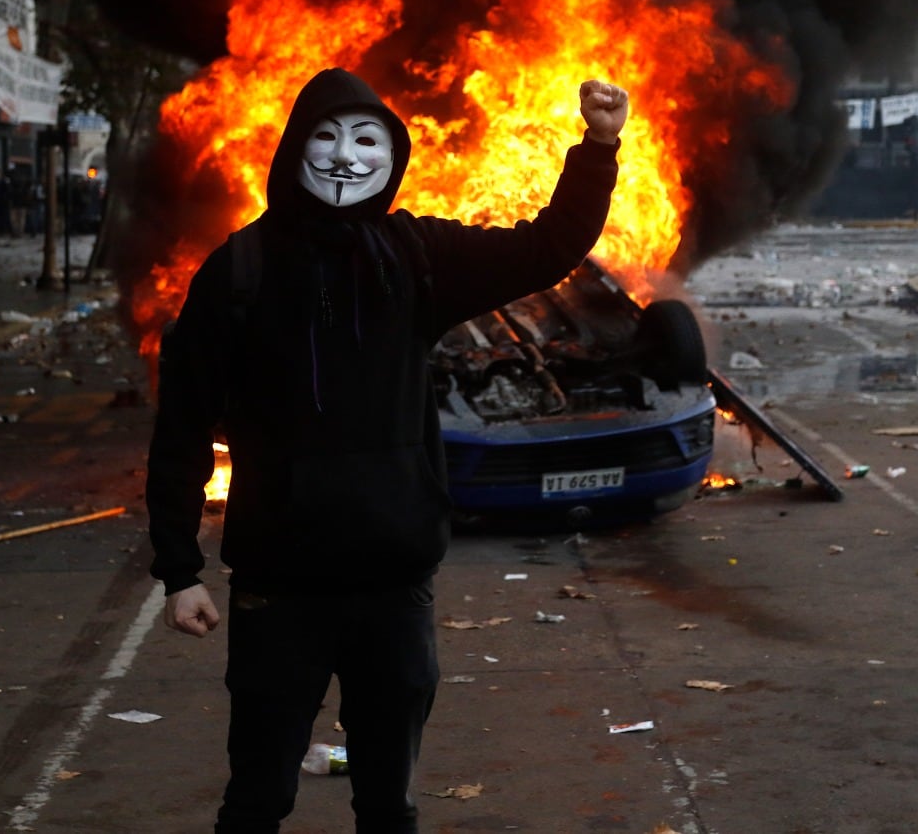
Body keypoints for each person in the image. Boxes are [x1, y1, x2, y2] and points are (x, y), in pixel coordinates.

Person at [145, 68, 627, 833]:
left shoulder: (417, 256)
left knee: (387, 803)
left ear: (392, 158)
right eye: (326, 137)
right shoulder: (239, 270)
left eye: (367, 140)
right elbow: (182, 426)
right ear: (294, 148)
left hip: (393, 587)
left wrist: (597, 148)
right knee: (258, 798)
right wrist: (178, 569)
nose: (346, 157)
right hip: (279, 588)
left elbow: (545, 249)